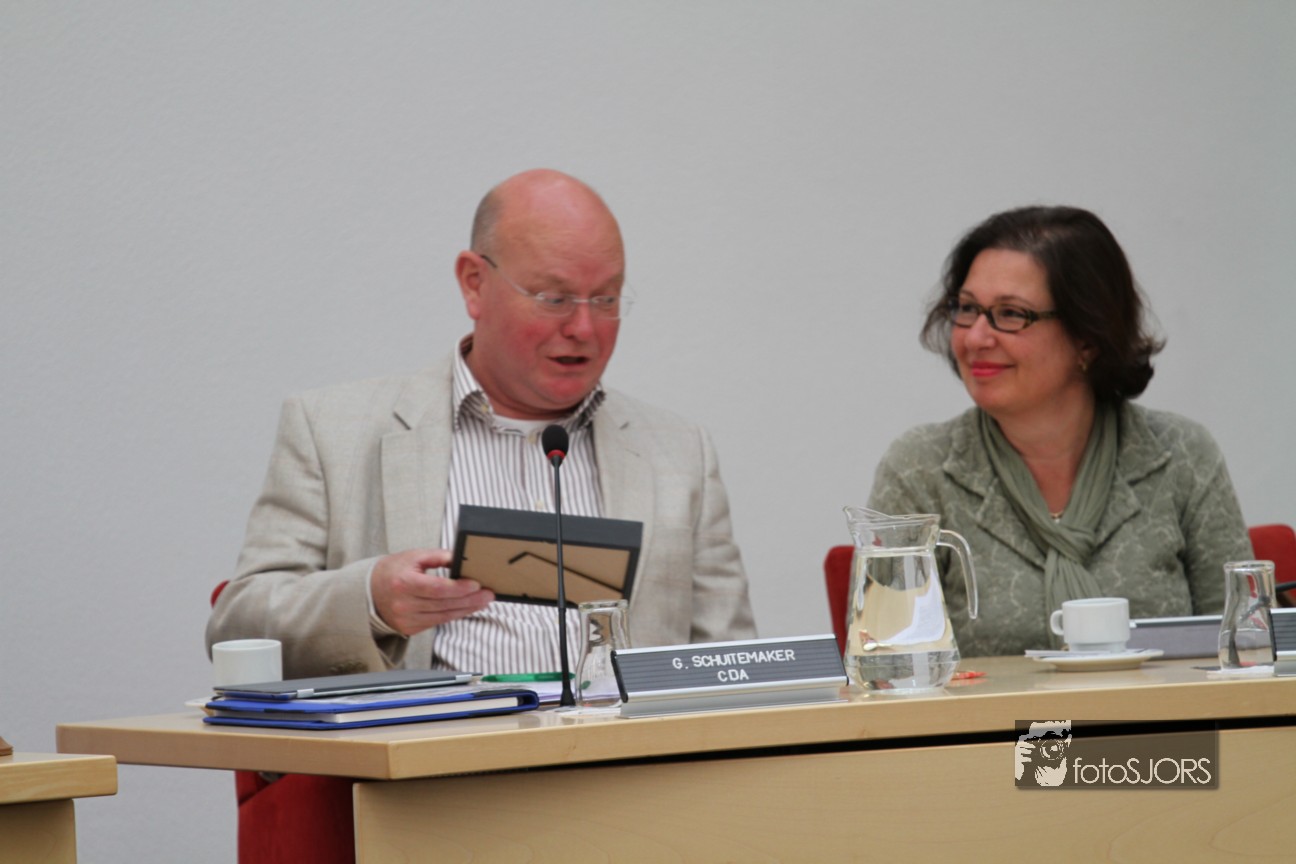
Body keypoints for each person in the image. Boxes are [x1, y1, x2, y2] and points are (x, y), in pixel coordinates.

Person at [207, 169, 756, 679]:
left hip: (622, 751)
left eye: (606, 298)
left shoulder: (679, 453)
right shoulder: (333, 430)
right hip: (434, 749)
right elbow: (237, 623)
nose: (585, 328)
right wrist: (371, 601)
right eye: (554, 298)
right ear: (474, 283)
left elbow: (732, 666)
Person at [867, 205, 1251, 658]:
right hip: (987, 711)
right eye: (968, 309)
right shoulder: (921, 468)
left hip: (1164, 709)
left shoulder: (1181, 454)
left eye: (1011, 313)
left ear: (1087, 336)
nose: (975, 338)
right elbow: (888, 663)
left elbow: (1245, 647)